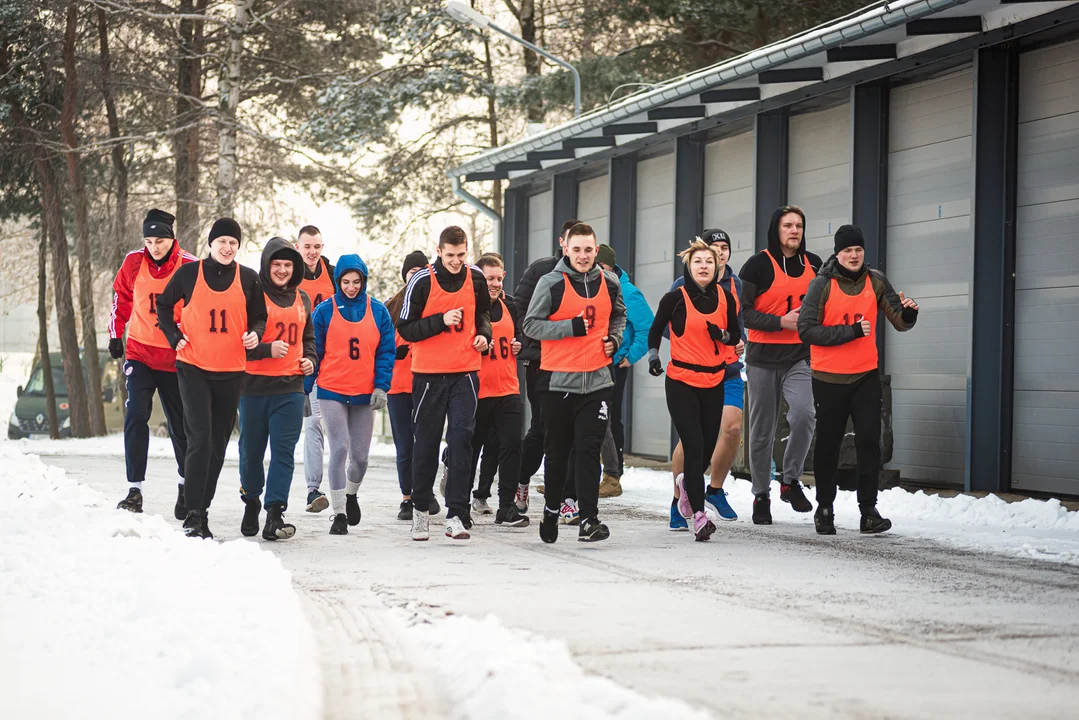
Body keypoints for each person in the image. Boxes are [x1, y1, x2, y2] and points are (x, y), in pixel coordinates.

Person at [798, 225, 918, 534]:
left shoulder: (875, 281)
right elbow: (806, 330)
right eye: (848, 250)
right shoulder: (821, 285)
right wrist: (849, 332)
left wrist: (908, 314)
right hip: (828, 379)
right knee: (828, 444)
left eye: (859, 250)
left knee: (868, 440)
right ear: (837, 253)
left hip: (865, 376)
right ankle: (824, 508)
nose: (854, 255)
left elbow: (899, 321)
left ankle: (869, 511)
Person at [157, 218, 267, 539]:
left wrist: (255, 335)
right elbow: (163, 306)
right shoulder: (189, 274)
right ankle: (192, 513)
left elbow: (260, 316)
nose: (227, 247)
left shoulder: (248, 279)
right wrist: (173, 335)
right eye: (221, 241)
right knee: (200, 439)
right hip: (193, 368)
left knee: (218, 445)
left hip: (231, 372)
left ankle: (202, 509)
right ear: (210, 244)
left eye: (233, 242)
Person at [523, 222, 626, 543]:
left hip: (597, 381)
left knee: (588, 449)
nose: (583, 256)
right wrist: (569, 327)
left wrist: (614, 338)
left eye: (588, 250)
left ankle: (589, 518)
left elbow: (620, 315)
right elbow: (530, 326)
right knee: (557, 452)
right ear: (565, 248)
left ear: (597, 251)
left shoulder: (609, 282)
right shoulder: (550, 283)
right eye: (576, 249)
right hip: (557, 383)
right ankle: (552, 509)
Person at [398, 226, 492, 541]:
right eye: (450, 255)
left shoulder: (476, 277)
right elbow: (406, 329)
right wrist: (440, 321)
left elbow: (484, 316)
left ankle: (456, 514)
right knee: (425, 443)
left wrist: (484, 336)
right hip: (427, 376)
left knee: (462, 441)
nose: (456, 261)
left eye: (461, 255)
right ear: (439, 251)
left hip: (465, 372)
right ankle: (421, 513)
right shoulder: (421, 281)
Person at [648, 238, 741, 540]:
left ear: (717, 267)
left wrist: (723, 335)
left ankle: (685, 485)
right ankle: (700, 516)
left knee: (706, 448)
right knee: (694, 443)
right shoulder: (674, 298)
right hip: (681, 381)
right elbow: (654, 330)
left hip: (714, 380)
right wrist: (653, 357)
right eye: (698, 261)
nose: (704, 266)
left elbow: (735, 335)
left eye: (709, 262)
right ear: (689, 266)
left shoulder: (726, 297)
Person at [110, 209, 197, 517]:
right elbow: (121, 296)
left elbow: (201, 310)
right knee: (135, 414)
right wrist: (115, 334)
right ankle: (135, 490)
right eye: (148, 241)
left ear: (171, 239)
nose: (154, 247)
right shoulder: (134, 261)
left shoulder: (190, 266)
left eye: (159, 241)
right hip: (141, 352)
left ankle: (186, 487)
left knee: (181, 425)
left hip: (176, 358)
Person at [739, 206, 821, 524]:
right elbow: (744, 312)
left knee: (804, 414)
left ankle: (790, 480)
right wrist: (780, 321)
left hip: (798, 356)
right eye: (788, 225)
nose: (794, 231)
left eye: (799, 225)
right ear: (777, 229)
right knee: (762, 431)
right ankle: (761, 495)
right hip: (762, 357)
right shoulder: (758, 265)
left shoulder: (814, 264)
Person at [307, 254, 395, 535]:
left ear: (364, 281)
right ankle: (338, 513)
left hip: (364, 393)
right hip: (331, 389)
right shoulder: (323, 311)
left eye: (357, 281)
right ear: (338, 281)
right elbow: (313, 352)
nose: (351, 287)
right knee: (340, 448)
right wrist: (305, 388)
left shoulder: (378, 311)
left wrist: (382, 386)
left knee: (360, 457)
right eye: (346, 282)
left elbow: (386, 352)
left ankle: (351, 494)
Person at [238, 237, 317, 540]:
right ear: (266, 265)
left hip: (290, 388)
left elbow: (308, 338)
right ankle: (251, 499)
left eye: (287, 265)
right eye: (277, 264)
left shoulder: (303, 299)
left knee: (284, 452)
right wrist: (266, 350)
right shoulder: (251, 296)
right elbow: (239, 344)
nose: (282, 270)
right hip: (253, 387)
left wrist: (310, 358)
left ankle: (274, 514)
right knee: (251, 452)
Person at [514, 218, 580, 522]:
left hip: (578, 366)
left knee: (575, 433)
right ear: (562, 243)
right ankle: (522, 480)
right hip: (542, 364)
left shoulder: (595, 279)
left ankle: (567, 497)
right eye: (573, 243)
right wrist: (540, 347)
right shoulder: (541, 270)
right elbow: (521, 312)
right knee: (542, 431)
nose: (579, 251)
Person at [468, 253, 529, 527]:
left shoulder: (511, 307)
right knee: (470, 450)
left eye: (498, 277)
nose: (494, 283)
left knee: (512, 446)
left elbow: (519, 338)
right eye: (488, 278)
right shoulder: (469, 308)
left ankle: (506, 508)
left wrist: (518, 346)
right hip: (477, 392)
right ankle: (459, 505)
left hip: (508, 388)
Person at [594, 244, 653, 498]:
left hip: (615, 364)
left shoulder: (628, 292)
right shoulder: (590, 289)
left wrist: (630, 356)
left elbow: (647, 327)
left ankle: (613, 475)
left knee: (609, 418)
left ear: (612, 267)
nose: (598, 271)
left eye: (602, 267)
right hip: (592, 362)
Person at [384, 250, 435, 522]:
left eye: (420, 271)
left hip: (426, 382)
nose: (415, 276)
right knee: (405, 445)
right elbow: (380, 345)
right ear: (405, 275)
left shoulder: (432, 303)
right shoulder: (390, 306)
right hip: (398, 387)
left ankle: (425, 491)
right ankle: (407, 497)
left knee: (426, 442)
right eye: (411, 272)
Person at [295, 225, 335, 513]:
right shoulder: (286, 274)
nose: (312, 252)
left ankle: (313, 490)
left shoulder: (333, 275)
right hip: (291, 359)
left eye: (317, 246)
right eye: (307, 246)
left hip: (324, 361)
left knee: (314, 423)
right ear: (298, 247)